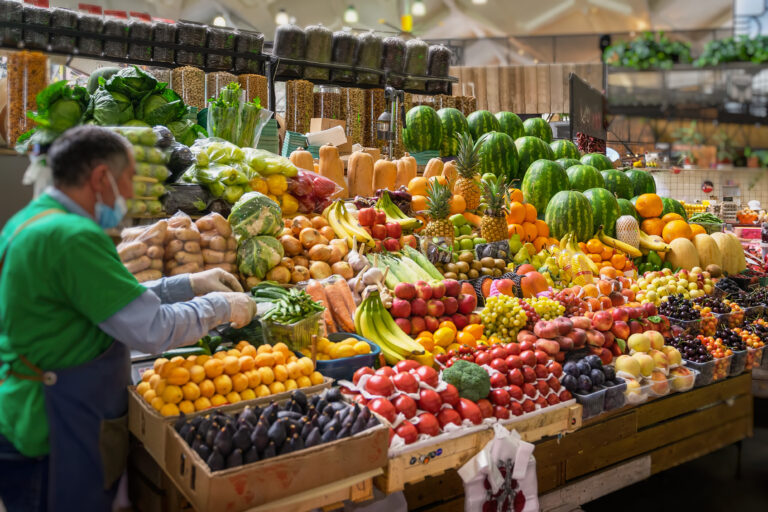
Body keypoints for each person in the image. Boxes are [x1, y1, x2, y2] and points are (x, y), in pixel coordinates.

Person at [0, 126, 257, 512]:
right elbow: (152, 329)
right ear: (102, 178)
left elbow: (107, 301)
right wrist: (223, 307)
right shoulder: (73, 237)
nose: (132, 195)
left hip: (27, 410)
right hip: (55, 429)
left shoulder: (31, 221)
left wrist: (188, 283)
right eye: (128, 181)